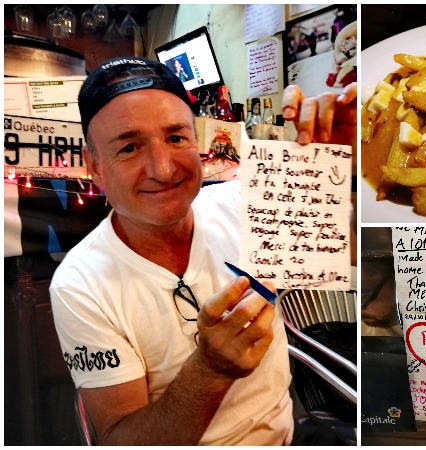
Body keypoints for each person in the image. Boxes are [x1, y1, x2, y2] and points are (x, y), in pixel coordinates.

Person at [49, 56, 356, 445]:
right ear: (93, 166)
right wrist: (210, 371)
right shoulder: (79, 286)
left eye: (176, 138)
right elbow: (119, 439)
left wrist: (351, 174)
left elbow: (351, 246)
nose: (162, 169)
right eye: (129, 147)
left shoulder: (245, 202)